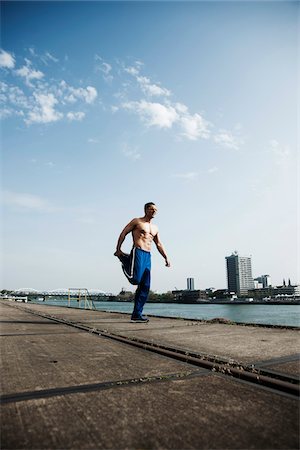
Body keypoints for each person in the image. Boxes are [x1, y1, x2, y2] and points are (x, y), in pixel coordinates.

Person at [114, 202, 170, 322]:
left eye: (155, 209)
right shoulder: (137, 221)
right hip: (138, 252)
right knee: (135, 279)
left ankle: (137, 314)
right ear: (145, 210)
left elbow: (158, 243)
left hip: (148, 256)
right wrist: (118, 249)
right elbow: (123, 233)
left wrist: (166, 257)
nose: (153, 211)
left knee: (145, 286)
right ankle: (124, 259)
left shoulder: (155, 228)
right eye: (151, 209)